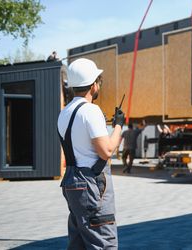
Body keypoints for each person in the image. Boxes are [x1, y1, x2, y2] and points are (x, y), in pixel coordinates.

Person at [57, 58, 124, 249]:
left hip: (72, 181)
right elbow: (107, 151)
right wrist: (118, 125)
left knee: (79, 242)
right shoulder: (90, 111)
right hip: (92, 184)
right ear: (93, 84)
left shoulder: (65, 112)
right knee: (102, 242)